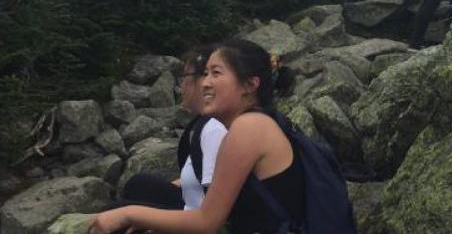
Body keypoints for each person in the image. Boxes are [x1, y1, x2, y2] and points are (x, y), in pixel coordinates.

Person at [90, 39, 304, 234]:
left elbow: (207, 223)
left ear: (249, 85)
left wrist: (131, 213)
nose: (205, 83)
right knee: (136, 195)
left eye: (216, 73)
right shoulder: (258, 121)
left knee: (119, 215)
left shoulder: (249, 127)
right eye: (205, 73)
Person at [105, 47, 226, 212]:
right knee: (140, 184)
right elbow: (200, 178)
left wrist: (138, 217)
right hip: (190, 210)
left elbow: (211, 214)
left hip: (194, 219)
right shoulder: (204, 124)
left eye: (184, 77)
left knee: (115, 211)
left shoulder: (213, 129)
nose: (181, 85)